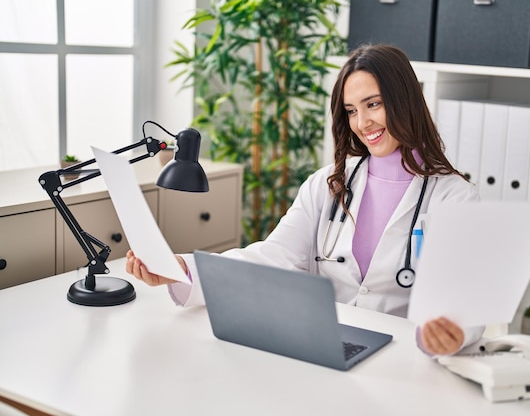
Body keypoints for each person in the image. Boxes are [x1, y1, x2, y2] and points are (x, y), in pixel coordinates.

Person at [126, 44, 484, 356]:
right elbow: (272, 257)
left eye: (372, 104)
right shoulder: (328, 184)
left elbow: (468, 300)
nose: (362, 122)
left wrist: (452, 334)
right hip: (326, 348)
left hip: (404, 362)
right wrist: (182, 271)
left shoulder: (454, 198)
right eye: (351, 110)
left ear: (404, 100)